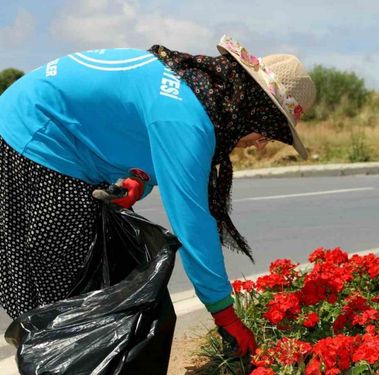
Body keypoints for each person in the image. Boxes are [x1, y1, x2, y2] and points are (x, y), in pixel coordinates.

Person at [0, 35, 316, 357]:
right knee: (68, 295)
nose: (261, 143)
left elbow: (136, 133)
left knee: (88, 300)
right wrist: (225, 315)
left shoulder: (194, 89)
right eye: (268, 130)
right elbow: (193, 224)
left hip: (46, 131)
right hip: (32, 134)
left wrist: (139, 179)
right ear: (253, 110)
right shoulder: (186, 117)